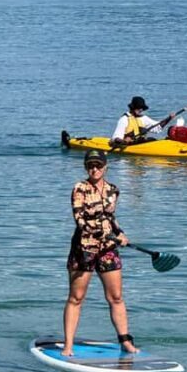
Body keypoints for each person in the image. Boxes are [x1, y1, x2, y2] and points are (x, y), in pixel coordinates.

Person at [62, 149, 138, 356]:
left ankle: (125, 341)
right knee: (76, 297)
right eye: (90, 165)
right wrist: (101, 234)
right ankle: (68, 346)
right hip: (84, 248)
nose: (94, 169)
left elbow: (110, 218)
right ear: (86, 167)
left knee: (116, 297)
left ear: (106, 167)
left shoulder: (113, 190)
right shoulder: (80, 188)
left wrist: (120, 233)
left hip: (108, 249)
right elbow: (79, 219)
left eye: (98, 165)